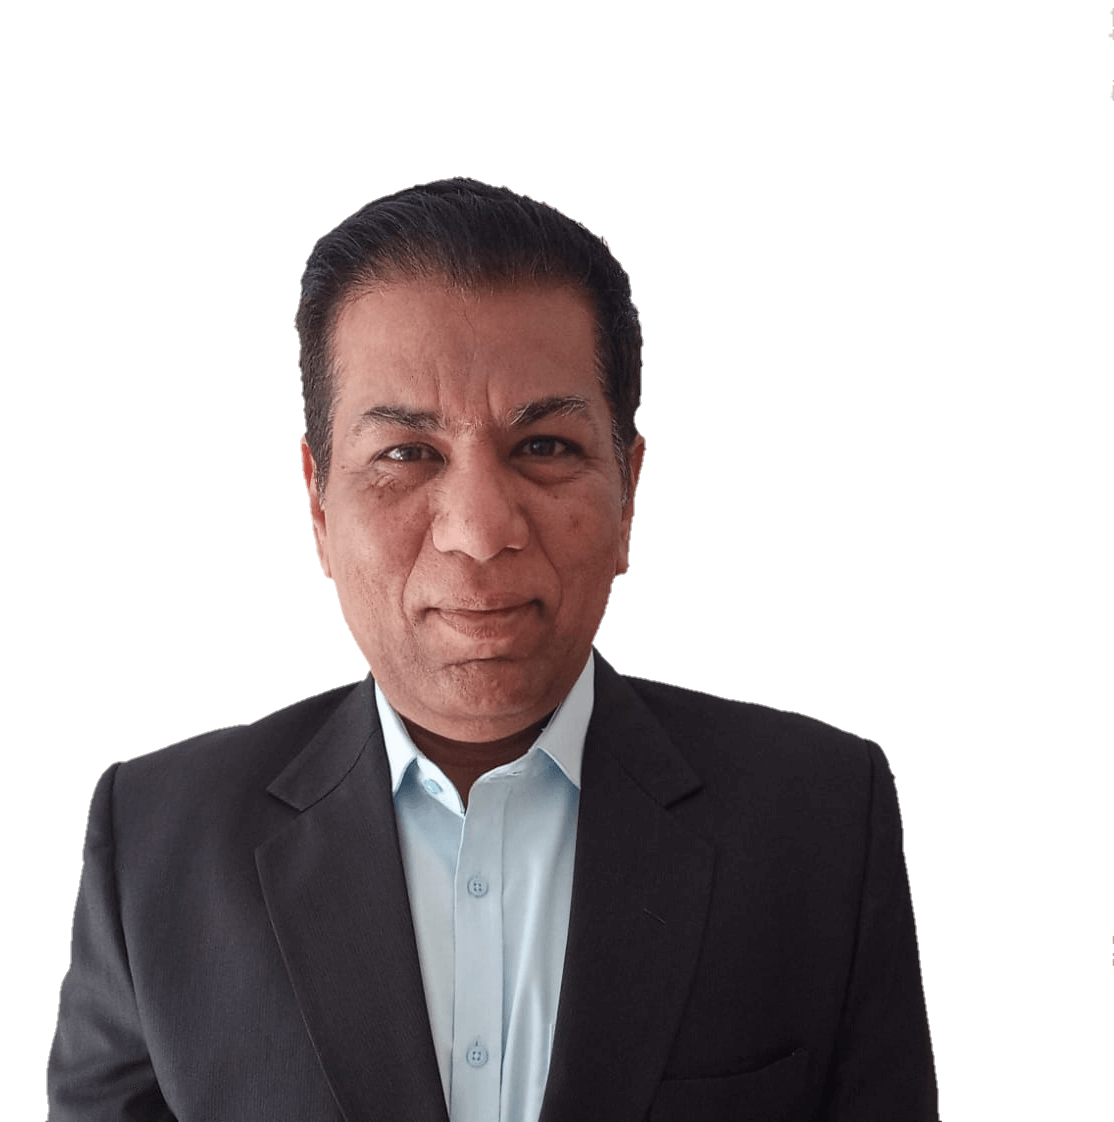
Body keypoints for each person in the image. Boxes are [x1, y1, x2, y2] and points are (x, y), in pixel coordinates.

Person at [47, 178, 938, 1122]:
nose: (478, 531)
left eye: (545, 447)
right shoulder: (156, 847)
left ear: (628, 493)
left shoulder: (821, 822)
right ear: (318, 502)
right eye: (407, 454)